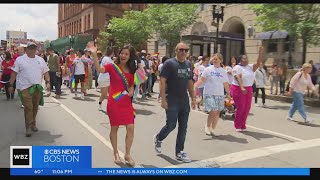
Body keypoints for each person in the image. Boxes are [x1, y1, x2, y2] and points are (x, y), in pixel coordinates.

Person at [88, 42, 137, 167]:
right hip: (114, 102)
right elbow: (99, 69)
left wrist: (131, 90)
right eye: (122, 53)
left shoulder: (131, 70)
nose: (123, 55)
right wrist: (94, 55)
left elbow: (131, 84)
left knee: (130, 127)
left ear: (130, 56)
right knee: (114, 127)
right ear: (118, 54)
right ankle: (115, 152)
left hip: (126, 103)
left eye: (126, 54)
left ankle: (127, 154)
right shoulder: (112, 66)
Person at [153, 42, 196, 163]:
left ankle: (179, 152)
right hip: (171, 99)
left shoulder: (188, 64)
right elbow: (162, 81)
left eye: (186, 50)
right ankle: (158, 138)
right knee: (171, 125)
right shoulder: (169, 63)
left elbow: (189, 82)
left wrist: (193, 98)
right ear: (176, 50)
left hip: (184, 100)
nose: (184, 52)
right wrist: (163, 99)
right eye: (181, 49)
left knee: (183, 127)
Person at [8, 42, 50, 137]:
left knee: (35, 107)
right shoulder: (20, 60)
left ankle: (33, 122)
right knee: (28, 107)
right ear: (26, 49)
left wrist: (48, 83)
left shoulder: (40, 60)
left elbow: (46, 72)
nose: (32, 50)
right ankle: (28, 127)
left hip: (37, 87)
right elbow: (14, 73)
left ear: (36, 50)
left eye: (34, 48)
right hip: (24, 88)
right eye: (30, 48)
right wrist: (11, 85)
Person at [194, 53, 231, 136]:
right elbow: (202, 80)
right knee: (213, 110)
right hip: (209, 93)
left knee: (217, 112)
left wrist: (228, 94)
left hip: (219, 93)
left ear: (220, 60)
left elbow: (225, 84)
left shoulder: (223, 71)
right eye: (213, 59)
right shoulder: (208, 69)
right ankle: (207, 126)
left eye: (216, 59)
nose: (214, 60)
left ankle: (213, 128)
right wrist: (195, 86)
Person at [231, 46, 263, 131]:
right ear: (240, 60)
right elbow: (238, 77)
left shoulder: (250, 67)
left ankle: (243, 124)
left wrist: (260, 53)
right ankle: (237, 125)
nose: (246, 60)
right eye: (244, 58)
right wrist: (241, 87)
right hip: (238, 88)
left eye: (247, 58)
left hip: (248, 88)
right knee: (241, 107)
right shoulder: (237, 67)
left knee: (247, 107)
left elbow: (258, 63)